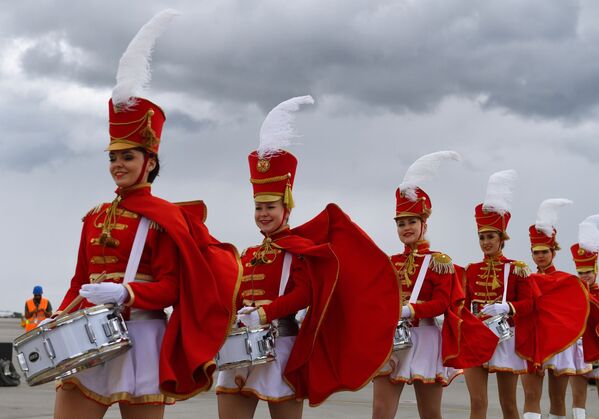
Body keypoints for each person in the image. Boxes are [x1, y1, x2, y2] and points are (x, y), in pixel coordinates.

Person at [51, 10, 240, 419]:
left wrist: (127, 292)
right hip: (89, 335)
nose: (118, 164)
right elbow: (79, 280)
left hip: (142, 335)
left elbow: (172, 287)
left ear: (149, 161)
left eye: (128, 156)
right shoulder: (94, 216)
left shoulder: (164, 218)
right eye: (113, 157)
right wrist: (58, 318)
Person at [216, 96, 399, 419]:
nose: (263, 214)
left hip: (282, 345)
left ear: (286, 207)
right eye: (258, 207)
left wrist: (266, 313)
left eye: (270, 207)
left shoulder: (298, 249)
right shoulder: (249, 253)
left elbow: (305, 294)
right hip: (240, 346)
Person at [371, 151, 467, 419]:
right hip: (392, 339)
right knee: (380, 411)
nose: (406, 228)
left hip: (425, 339)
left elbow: (442, 303)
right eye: (401, 224)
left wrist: (410, 310)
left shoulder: (439, 262)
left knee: (430, 413)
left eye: (411, 222)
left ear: (424, 224)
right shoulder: (389, 262)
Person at [461, 169, 536, 419]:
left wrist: (507, 308)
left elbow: (529, 303)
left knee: (508, 403)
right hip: (475, 334)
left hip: (505, 337)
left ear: (501, 238)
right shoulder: (470, 270)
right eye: (481, 237)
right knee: (478, 402)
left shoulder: (517, 269)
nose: (485, 242)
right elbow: (463, 303)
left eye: (490, 236)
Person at [521, 199, 589, 419]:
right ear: (531, 254)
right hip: (532, 342)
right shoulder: (526, 280)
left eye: (544, 251)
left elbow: (574, 312)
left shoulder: (566, 281)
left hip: (559, 344)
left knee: (557, 398)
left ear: (553, 252)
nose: (540, 256)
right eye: (536, 252)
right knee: (531, 395)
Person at [569, 215, 599, 419]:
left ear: (595, 270)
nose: (585, 276)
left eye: (588, 271)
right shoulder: (572, 293)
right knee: (577, 398)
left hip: (597, 349)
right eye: (581, 272)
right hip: (578, 350)